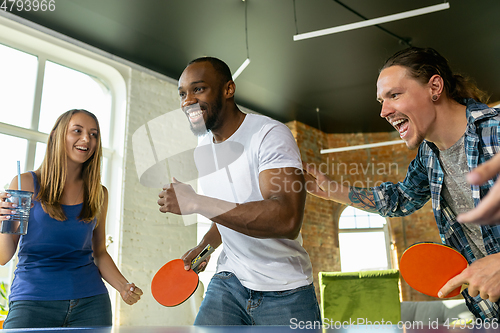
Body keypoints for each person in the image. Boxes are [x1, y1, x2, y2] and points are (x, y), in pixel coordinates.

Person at [303, 47, 500, 320]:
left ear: (435, 87)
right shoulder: (430, 156)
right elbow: (401, 199)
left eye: (394, 95)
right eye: (381, 101)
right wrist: (334, 191)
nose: (384, 111)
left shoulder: (495, 133)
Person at [157, 57, 320, 325]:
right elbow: (229, 215)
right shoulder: (204, 149)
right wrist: (204, 248)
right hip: (229, 281)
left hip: (285, 289)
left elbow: (287, 218)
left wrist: (196, 202)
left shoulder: (269, 135)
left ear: (228, 89)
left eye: (198, 89)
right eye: (183, 94)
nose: (187, 101)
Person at [0, 109, 143, 328]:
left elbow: (99, 253)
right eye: (77, 131)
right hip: (32, 301)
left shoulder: (98, 193)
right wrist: (2, 220)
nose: (87, 139)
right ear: (57, 135)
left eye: (93, 134)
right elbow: (4, 256)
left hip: (91, 303)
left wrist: (123, 286)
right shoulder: (25, 183)